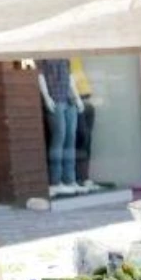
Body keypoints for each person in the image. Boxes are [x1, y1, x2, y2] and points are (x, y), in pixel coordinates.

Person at [37, 59, 83, 198]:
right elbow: (40, 76)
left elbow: (69, 77)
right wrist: (46, 98)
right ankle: (56, 181)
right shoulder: (42, 56)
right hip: (55, 99)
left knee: (70, 139)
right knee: (59, 137)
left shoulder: (64, 56)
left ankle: (69, 179)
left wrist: (77, 97)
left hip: (69, 100)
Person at [70, 57, 99, 190]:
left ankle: (84, 177)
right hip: (73, 99)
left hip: (85, 96)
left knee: (87, 140)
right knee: (81, 138)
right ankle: (78, 178)